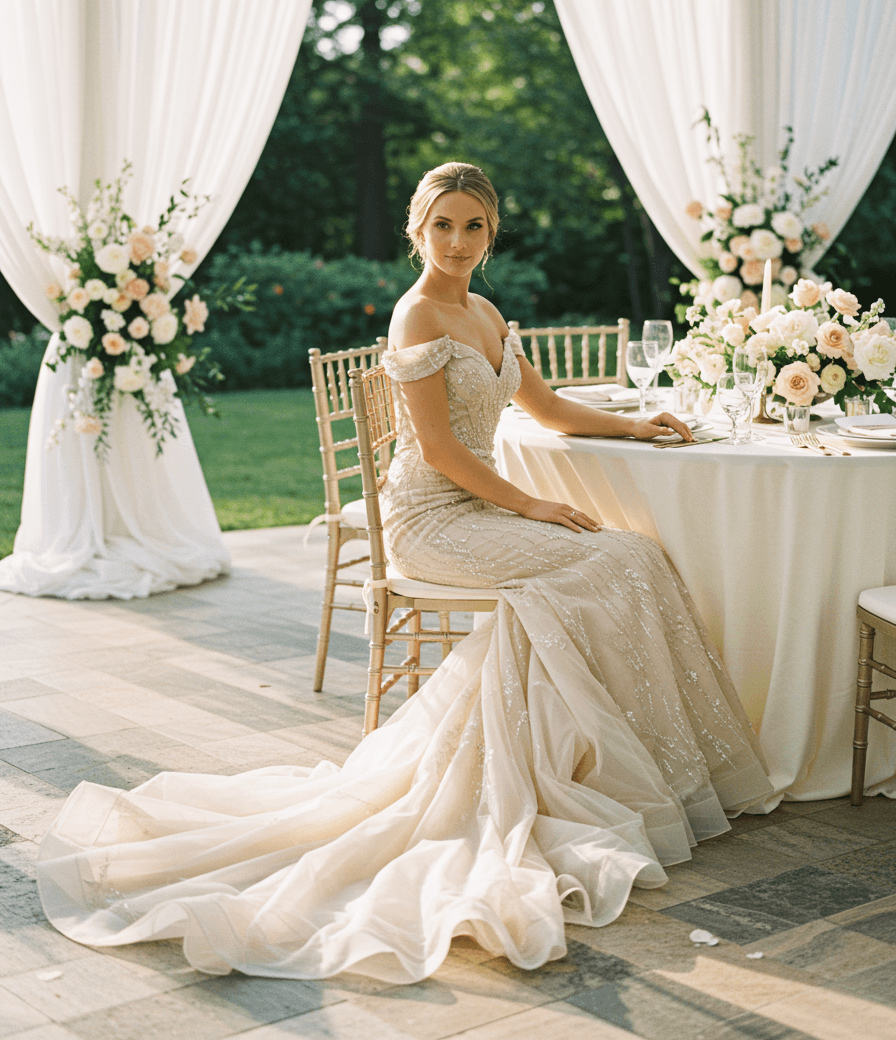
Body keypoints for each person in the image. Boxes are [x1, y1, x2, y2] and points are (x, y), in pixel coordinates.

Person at [36, 162, 771, 984]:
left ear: (492, 236)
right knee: (608, 564)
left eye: (475, 227)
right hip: (432, 522)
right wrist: (532, 506)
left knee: (631, 557)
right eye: (444, 225)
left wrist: (642, 428)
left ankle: (610, 759)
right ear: (417, 230)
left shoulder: (485, 312)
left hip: (481, 510)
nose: (458, 241)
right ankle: (558, 767)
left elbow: (552, 410)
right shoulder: (417, 314)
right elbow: (444, 452)